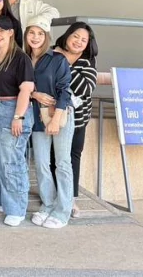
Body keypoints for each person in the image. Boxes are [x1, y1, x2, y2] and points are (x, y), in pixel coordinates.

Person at [0, 14, 35, 227]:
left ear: (11, 33)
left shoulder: (20, 58)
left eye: (1, 31)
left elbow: (26, 90)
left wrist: (18, 117)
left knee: (10, 161)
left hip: (12, 108)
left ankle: (16, 208)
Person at [26, 18, 74, 229]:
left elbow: (65, 90)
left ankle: (63, 210)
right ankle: (48, 204)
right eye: (31, 33)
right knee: (41, 164)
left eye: (40, 33)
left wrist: (55, 119)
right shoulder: (24, 59)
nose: (35, 37)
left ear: (46, 36)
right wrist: (34, 94)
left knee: (62, 164)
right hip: (36, 116)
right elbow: (21, 86)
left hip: (59, 114)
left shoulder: (57, 59)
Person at [53, 22, 98, 218]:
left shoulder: (87, 63)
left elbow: (84, 89)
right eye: (76, 36)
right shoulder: (52, 54)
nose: (78, 41)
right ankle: (56, 195)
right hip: (54, 115)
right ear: (67, 35)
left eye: (84, 40)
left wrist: (64, 63)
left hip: (77, 119)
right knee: (54, 158)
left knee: (72, 157)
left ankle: (70, 199)